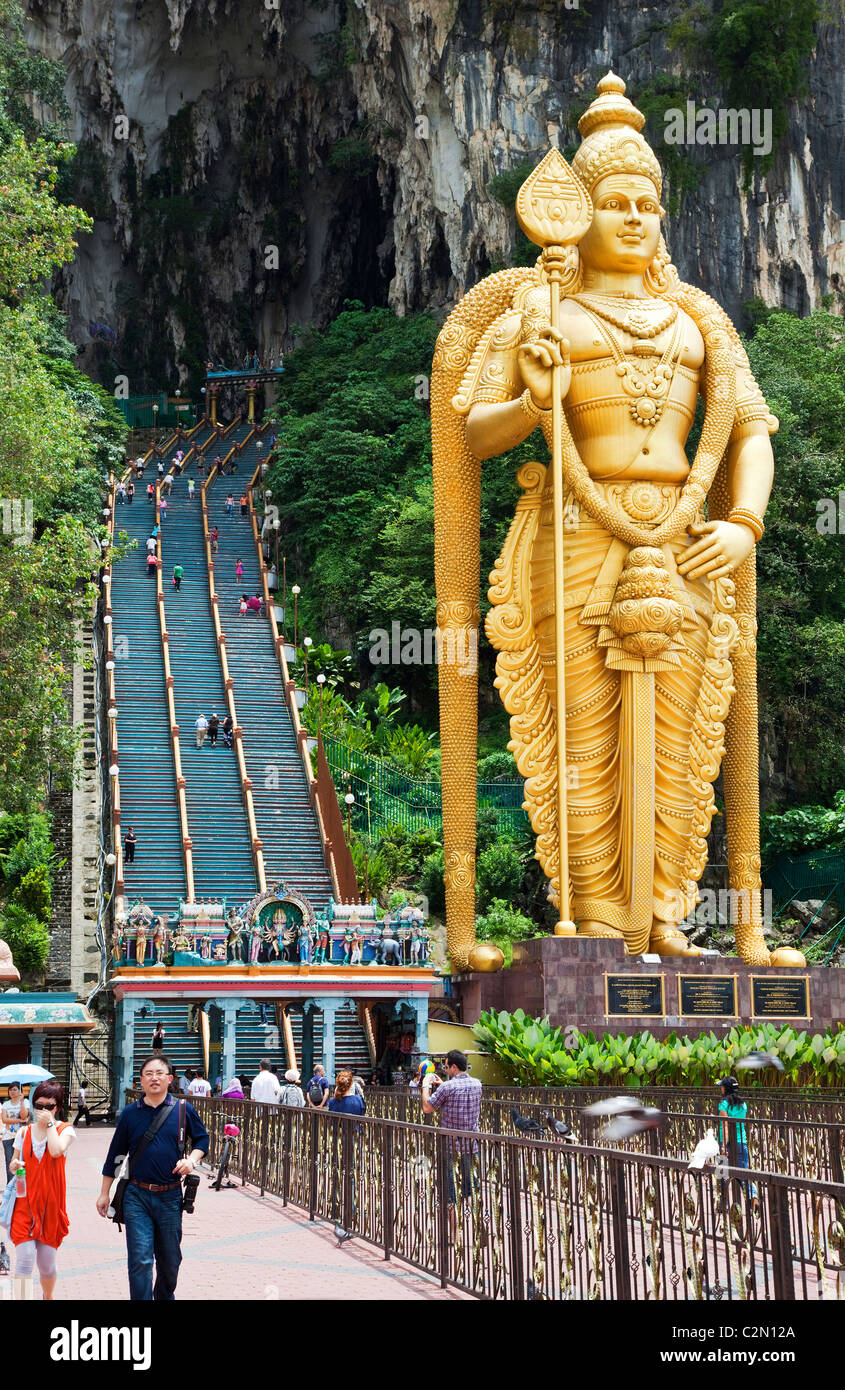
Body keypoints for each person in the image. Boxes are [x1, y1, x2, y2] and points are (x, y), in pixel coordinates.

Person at [98, 1054, 209, 1301]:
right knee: (140, 1259)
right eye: (148, 1074)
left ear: (170, 1079)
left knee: (170, 1261)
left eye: (159, 1073)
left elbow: (202, 1139)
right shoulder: (130, 1113)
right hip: (136, 1196)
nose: (154, 1078)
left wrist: (191, 1160)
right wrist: (105, 1192)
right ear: (141, 1081)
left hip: (170, 1197)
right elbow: (115, 1155)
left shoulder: (183, 1110)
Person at [9, 1081, 74, 1301]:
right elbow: (13, 1161)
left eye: (49, 1106)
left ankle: (48, 1295)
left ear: (58, 1107)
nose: (43, 1110)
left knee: (46, 1266)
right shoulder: (24, 1132)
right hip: (24, 1205)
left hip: (50, 1208)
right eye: (39, 1105)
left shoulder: (65, 1130)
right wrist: (16, 1165)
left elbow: (56, 1151)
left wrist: (49, 1125)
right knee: (25, 1259)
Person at [421, 1050, 481, 1205]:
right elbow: (459, 1094)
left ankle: (454, 1225)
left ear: (454, 1067)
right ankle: (472, 1218)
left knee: (450, 1188)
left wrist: (426, 1085)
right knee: (471, 1187)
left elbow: (427, 1107)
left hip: (450, 1145)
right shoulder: (477, 1084)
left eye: (446, 1067)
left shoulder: (447, 1087)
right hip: (471, 1143)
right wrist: (444, 1086)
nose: (446, 1070)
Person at [1, 1083, 29, 1177]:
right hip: (8, 1136)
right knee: (10, 1162)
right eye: (10, 1090)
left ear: (20, 1091)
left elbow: (25, 1116)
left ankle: (21, 1184)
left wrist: (21, 1103)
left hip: (22, 1136)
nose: (12, 1092)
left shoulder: (25, 1102)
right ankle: (10, 1186)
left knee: (22, 1162)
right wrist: (19, 1120)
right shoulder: (5, 1104)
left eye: (15, 1089)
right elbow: (4, 1119)